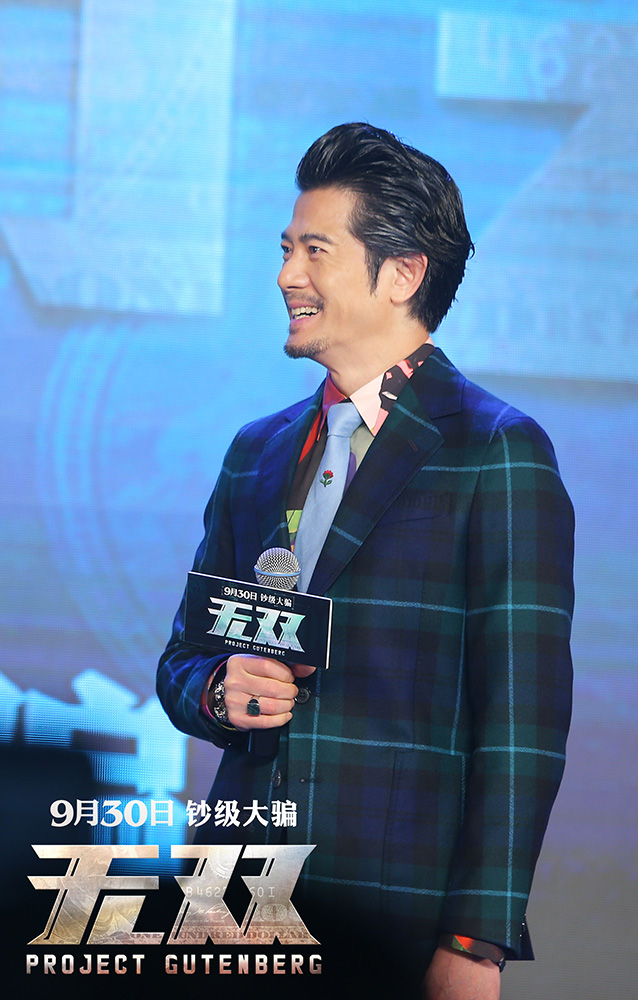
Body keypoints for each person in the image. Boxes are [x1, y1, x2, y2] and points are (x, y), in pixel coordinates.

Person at [158, 122, 574, 999]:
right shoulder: (258, 450)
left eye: (315, 250)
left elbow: (522, 725)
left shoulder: (495, 450)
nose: (287, 276)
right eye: (286, 250)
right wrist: (219, 689)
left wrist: (476, 941)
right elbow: (183, 657)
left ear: (403, 274)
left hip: (392, 906)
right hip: (230, 900)